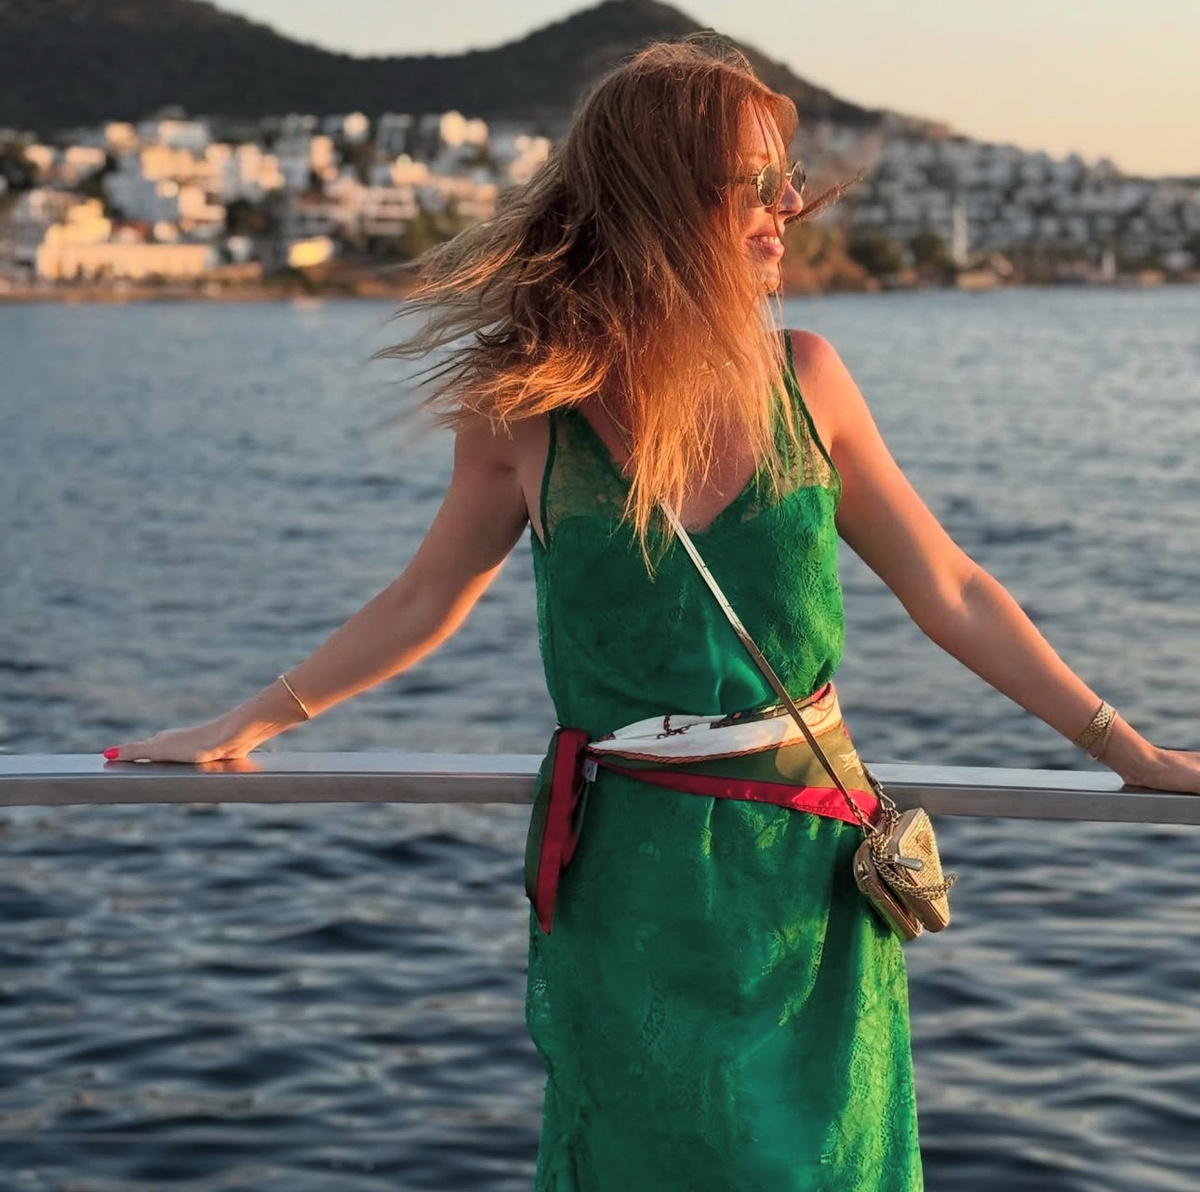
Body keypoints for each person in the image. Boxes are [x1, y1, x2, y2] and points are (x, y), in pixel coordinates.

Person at [103, 38, 1200, 1192]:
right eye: (755, 184)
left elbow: (954, 589)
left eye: (787, 181)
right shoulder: (528, 411)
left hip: (806, 874)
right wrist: (244, 723)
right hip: (630, 881)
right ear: (667, 201)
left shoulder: (808, 380)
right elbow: (424, 598)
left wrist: (1126, 750)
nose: (788, 208)